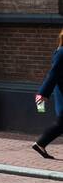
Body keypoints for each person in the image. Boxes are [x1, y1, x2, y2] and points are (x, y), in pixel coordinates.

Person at [33, 30, 63, 158]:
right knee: (62, 122)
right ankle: (40, 143)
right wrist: (43, 93)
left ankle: (40, 144)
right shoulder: (61, 52)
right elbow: (53, 73)